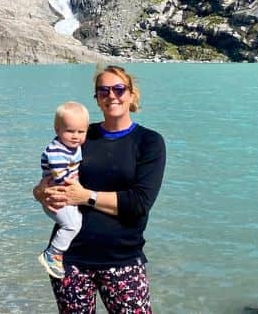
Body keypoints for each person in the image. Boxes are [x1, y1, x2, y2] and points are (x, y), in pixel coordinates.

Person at [34, 65, 166, 314]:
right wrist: (40, 192)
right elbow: (49, 175)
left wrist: (85, 196)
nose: (111, 95)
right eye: (103, 90)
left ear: (131, 94)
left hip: (123, 258)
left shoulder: (149, 142)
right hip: (70, 259)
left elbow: (139, 204)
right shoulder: (81, 134)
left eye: (118, 89)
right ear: (96, 98)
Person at [38, 101, 90, 279]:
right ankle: (52, 253)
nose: (76, 136)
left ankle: (56, 253)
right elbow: (61, 177)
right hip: (58, 196)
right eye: (70, 131)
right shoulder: (56, 151)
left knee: (75, 221)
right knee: (73, 224)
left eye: (81, 132)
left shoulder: (71, 147)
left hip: (63, 195)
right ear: (57, 129)